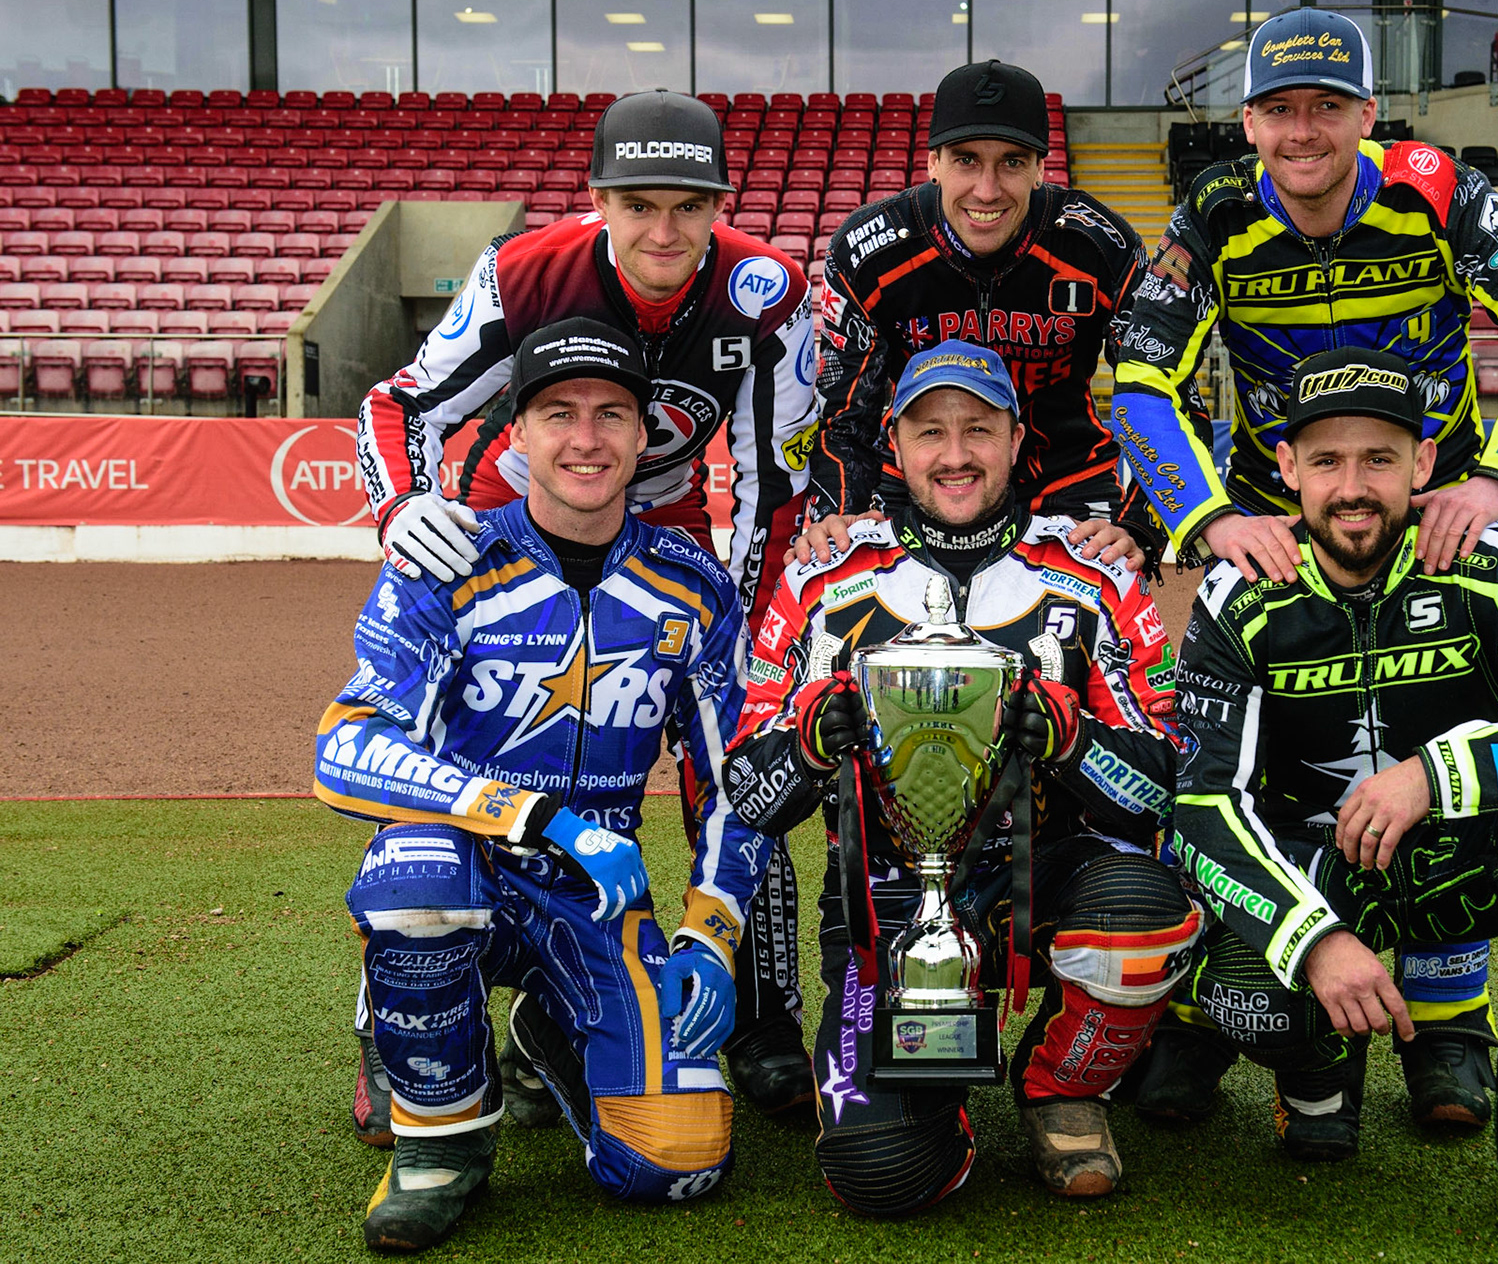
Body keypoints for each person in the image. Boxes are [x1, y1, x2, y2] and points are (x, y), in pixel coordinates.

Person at [1110, 7, 1498, 1128]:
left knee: (1445, 740)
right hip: (1287, 520)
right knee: (1254, 765)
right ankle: (1209, 1007)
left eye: (1327, 108)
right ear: (1248, 123)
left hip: (1433, 508)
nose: (1304, 132)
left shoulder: (1440, 188)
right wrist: (1205, 518)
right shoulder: (1215, 212)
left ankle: (1452, 1021)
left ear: (1366, 115)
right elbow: (1138, 376)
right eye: (1281, 110)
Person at [351, 90, 817, 1129]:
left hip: (675, 530)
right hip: (512, 505)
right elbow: (404, 404)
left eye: (689, 207)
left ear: (720, 206)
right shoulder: (523, 271)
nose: (664, 230)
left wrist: (730, 638)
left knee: (737, 755)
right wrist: (401, 512)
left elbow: (773, 486)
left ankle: (758, 1010)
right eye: (639, 203)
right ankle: (401, 1015)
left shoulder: (766, 291)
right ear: (598, 197)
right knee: (455, 740)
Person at [1167, 347, 1498, 1259]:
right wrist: (1311, 939)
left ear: (1423, 465)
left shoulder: (1495, 558)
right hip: (1314, 873)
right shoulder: (1242, 589)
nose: (1353, 488)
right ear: (1288, 471)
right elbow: (1199, 805)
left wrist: (1440, 773)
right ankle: (1314, 1070)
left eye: (1379, 460)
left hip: (1453, 861)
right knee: (1265, 1009)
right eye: (1327, 462)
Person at [319, 319, 770, 1251]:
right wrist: (533, 815)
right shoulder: (446, 563)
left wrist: (714, 931)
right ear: (515, 434)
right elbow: (345, 744)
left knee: (677, 1165)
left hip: (596, 895)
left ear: (647, 436)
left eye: (612, 414)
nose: (586, 438)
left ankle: (551, 1025)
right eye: (556, 414)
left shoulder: (695, 583)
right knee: (417, 879)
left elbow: (738, 780)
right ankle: (442, 1143)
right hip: (460, 862)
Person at [727, 342, 1200, 1211]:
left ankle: (1061, 1089)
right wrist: (807, 744)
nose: (954, 455)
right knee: (880, 1176)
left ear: (1018, 441)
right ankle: (932, 1096)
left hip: (1051, 876)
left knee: (1142, 916)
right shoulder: (821, 576)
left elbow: (1164, 778)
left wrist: (1070, 737)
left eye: (978, 430)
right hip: (886, 907)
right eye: (930, 432)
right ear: (894, 448)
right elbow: (747, 793)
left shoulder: (1093, 572)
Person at [800, 58, 1181, 574]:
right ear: (932, 161)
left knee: (1100, 641)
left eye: (1012, 162)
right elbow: (845, 415)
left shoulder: (1099, 247)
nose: (987, 189)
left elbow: (1166, 386)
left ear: (1042, 168)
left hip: (1067, 478)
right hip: (923, 475)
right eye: (965, 160)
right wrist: (836, 513)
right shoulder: (870, 251)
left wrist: (1139, 525)